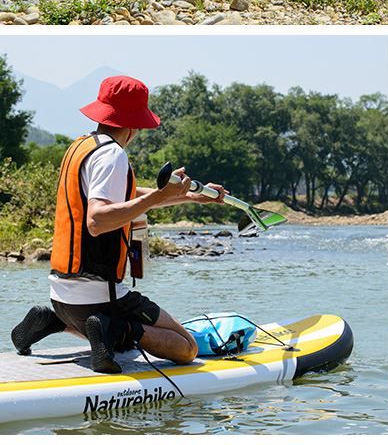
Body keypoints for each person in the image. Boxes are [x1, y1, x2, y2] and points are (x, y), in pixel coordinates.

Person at [11, 75, 228, 374]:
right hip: (99, 295)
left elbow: (126, 198)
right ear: (135, 124)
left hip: (62, 297)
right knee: (186, 346)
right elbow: (97, 220)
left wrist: (189, 197)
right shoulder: (113, 155)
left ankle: (51, 321)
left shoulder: (82, 147)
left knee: (93, 320)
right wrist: (158, 198)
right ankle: (117, 329)